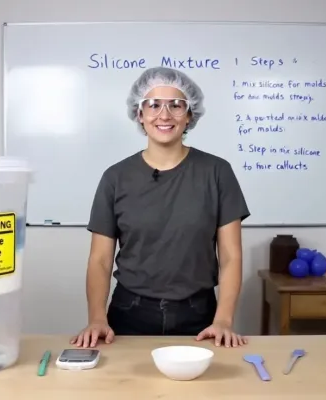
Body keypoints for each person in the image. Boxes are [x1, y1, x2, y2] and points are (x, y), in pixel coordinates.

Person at [70, 66, 251, 349]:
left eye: (176, 105)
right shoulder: (115, 178)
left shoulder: (217, 172)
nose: (164, 115)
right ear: (139, 114)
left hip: (200, 316)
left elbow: (230, 256)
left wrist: (224, 321)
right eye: (153, 105)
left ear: (189, 114)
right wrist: (96, 319)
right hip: (129, 313)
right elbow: (100, 260)